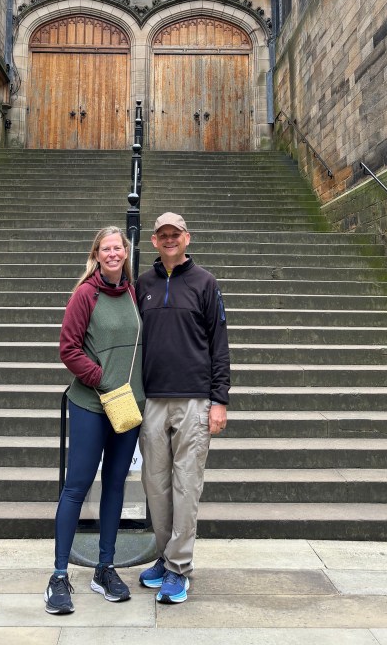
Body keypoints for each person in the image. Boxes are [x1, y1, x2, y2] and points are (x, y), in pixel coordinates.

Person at [44, 226, 144, 616]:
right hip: (91, 404)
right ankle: (58, 575)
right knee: (77, 487)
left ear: (126, 253)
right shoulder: (85, 295)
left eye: (119, 247)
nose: (113, 253)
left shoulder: (134, 293)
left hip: (128, 407)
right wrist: (102, 380)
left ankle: (105, 568)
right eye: (107, 248)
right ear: (97, 254)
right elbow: (68, 349)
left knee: (116, 485)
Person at [135, 211, 230, 604]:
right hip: (153, 399)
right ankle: (165, 556)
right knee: (155, 485)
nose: (169, 239)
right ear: (154, 241)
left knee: (186, 485)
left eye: (176, 233)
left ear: (187, 238)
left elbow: (219, 344)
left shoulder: (205, 283)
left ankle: (179, 568)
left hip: (194, 398)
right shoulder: (143, 284)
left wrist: (219, 399)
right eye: (163, 235)